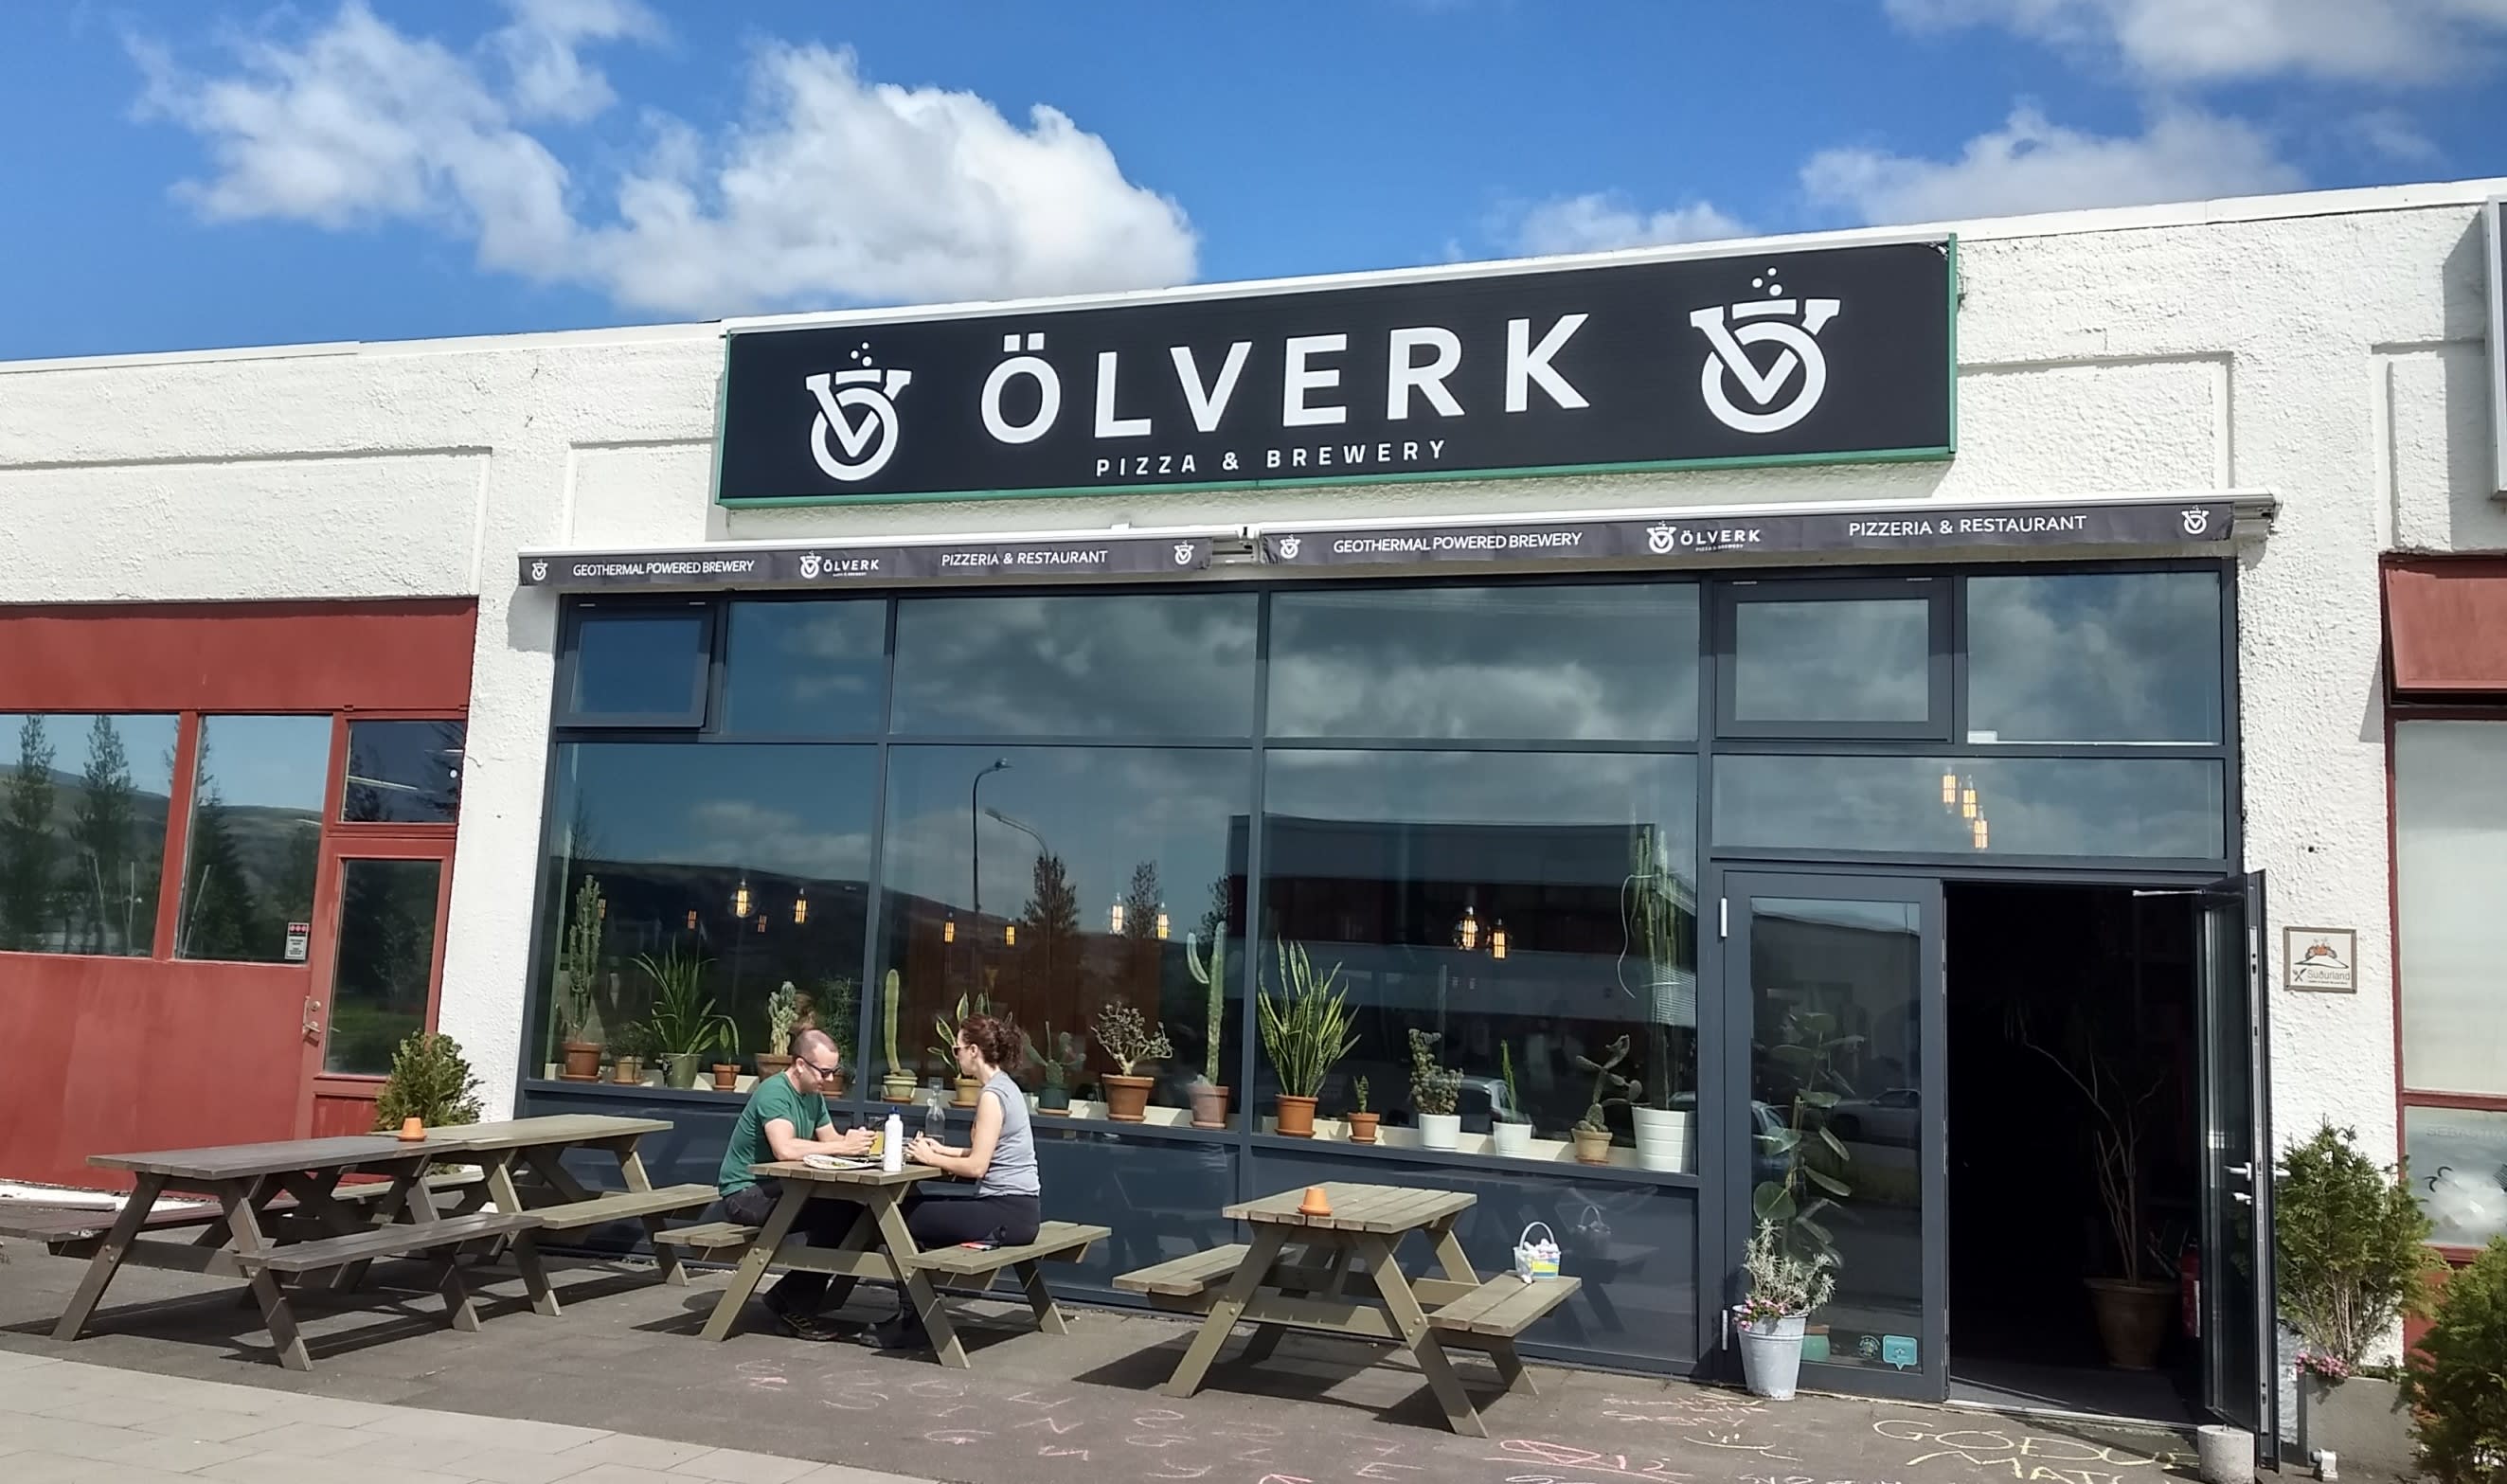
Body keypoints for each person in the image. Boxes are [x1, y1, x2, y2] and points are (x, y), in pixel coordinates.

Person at [864, 1012, 1042, 1349]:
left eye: (957, 1049)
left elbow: (977, 1167)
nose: (955, 1055)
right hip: (1019, 1210)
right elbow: (985, 1153)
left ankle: (916, 1323)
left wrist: (929, 1158)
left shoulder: (992, 1096)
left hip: (1005, 1213)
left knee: (894, 1217)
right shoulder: (1006, 1088)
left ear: (974, 1051)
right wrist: (940, 1150)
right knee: (906, 1212)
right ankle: (916, 1314)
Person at [713, 1027, 872, 1340]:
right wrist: (841, 1148)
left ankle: (789, 1296)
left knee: (851, 1212)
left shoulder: (812, 1095)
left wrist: (857, 1143)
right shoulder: (774, 1092)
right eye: (823, 1072)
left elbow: (830, 1140)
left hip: (783, 1189)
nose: (828, 1079)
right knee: (836, 1215)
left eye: (833, 1071)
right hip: (747, 1192)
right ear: (800, 1064)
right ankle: (795, 1308)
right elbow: (784, 1149)